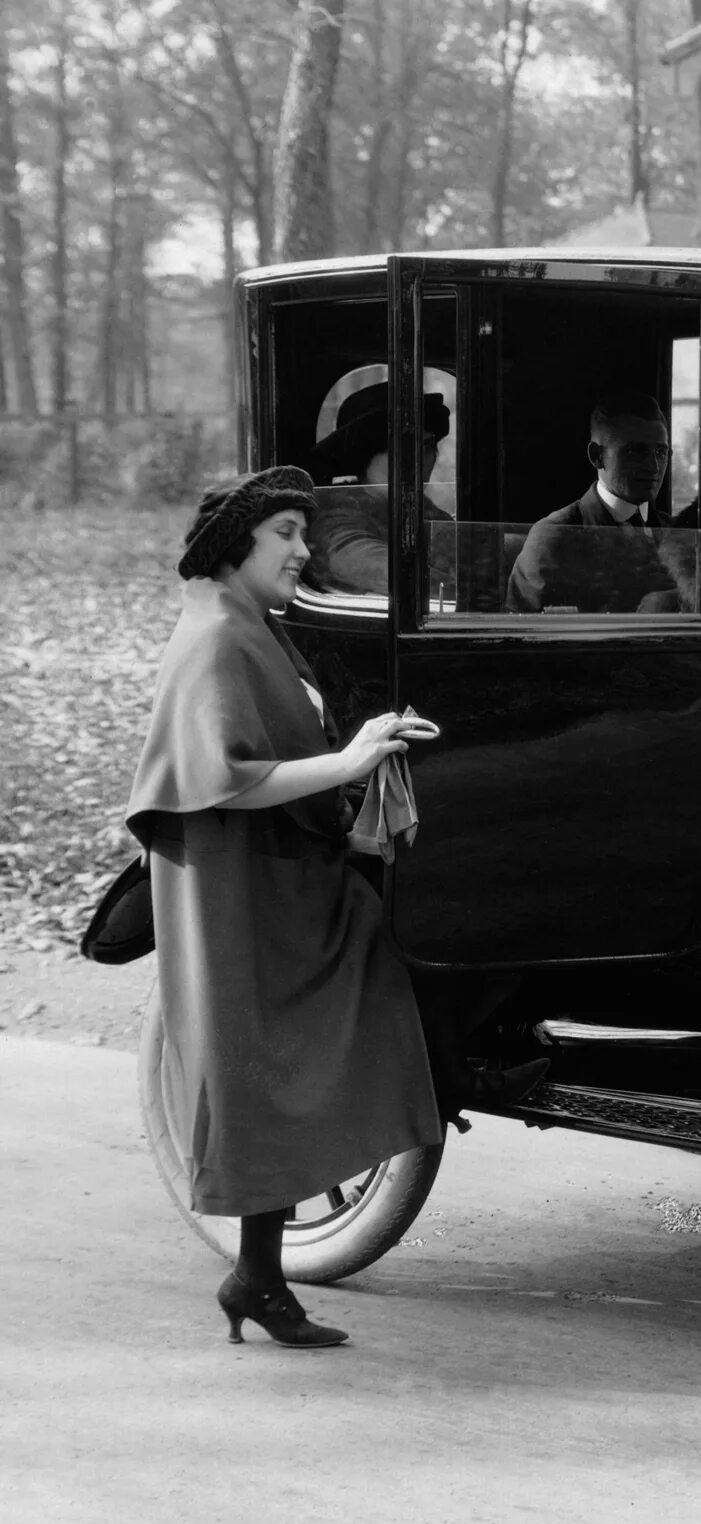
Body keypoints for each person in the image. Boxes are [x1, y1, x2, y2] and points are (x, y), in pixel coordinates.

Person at [127, 467, 540, 1349]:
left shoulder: (247, 625)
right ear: (239, 542)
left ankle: (259, 1280)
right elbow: (221, 779)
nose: (304, 551)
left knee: (277, 1067)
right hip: (252, 897)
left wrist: (367, 755)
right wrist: (353, 761)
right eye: (286, 533)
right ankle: (444, 1089)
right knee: (275, 1062)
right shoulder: (215, 639)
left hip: (280, 881)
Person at [506, 394, 692, 614]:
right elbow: (526, 636)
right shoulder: (556, 537)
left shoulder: (677, 534)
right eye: (635, 451)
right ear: (597, 456)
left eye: (660, 452)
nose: (653, 466)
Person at [301, 383, 453, 597]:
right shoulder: (336, 519)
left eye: (428, 447)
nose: (422, 460)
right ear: (366, 454)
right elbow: (392, 577)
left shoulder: (425, 515)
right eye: (404, 449)